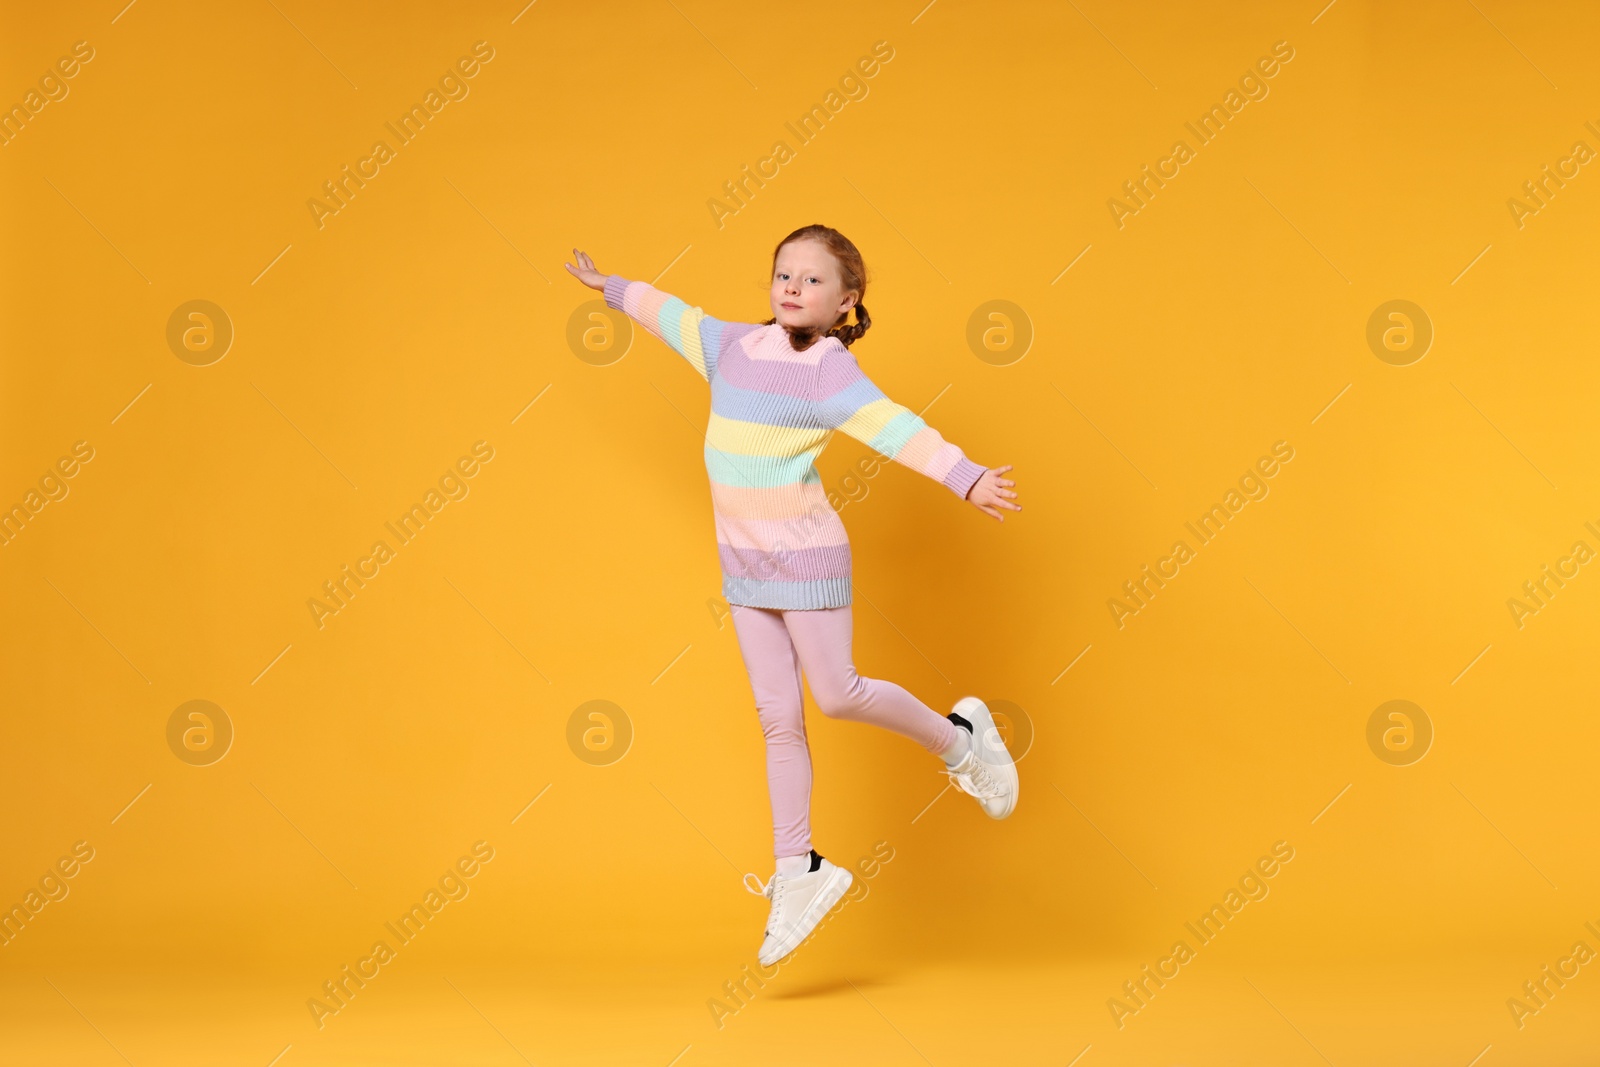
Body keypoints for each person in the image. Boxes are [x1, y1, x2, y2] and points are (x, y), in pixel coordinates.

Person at [564, 224, 1022, 967]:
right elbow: (673, 315)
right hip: (744, 568)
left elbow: (893, 426)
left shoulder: (828, 371)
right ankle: (797, 868)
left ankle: (963, 742)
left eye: (812, 280)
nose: (792, 287)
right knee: (778, 719)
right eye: (784, 273)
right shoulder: (733, 348)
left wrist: (964, 474)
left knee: (836, 694)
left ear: (846, 302)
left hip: (806, 560)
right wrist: (612, 290)